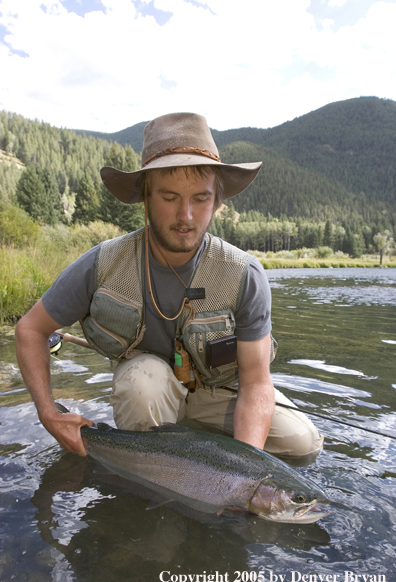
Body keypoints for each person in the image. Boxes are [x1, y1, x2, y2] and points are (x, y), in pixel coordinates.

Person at [15, 112, 323, 459]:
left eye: (200, 198)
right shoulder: (102, 264)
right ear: (146, 197)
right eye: (169, 197)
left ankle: (197, 448)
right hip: (149, 395)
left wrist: (241, 470)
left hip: (219, 393)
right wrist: (49, 414)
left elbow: (255, 382)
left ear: (217, 202)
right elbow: (30, 329)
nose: (186, 216)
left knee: (302, 444)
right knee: (143, 385)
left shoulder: (245, 274)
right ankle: (149, 485)